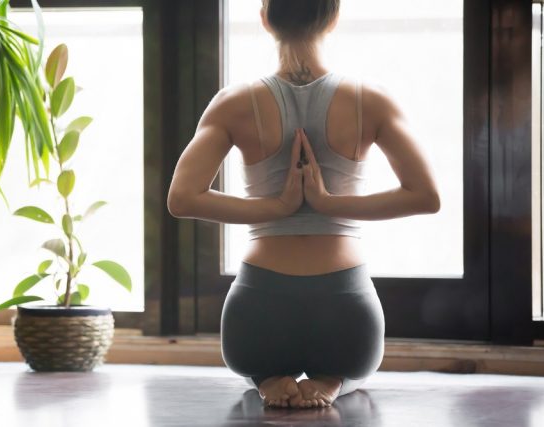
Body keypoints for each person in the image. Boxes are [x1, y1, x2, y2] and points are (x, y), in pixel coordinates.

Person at [167, 0, 440, 410]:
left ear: (265, 18)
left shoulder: (234, 102)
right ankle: (332, 381)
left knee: (254, 364)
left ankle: (267, 379)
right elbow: (426, 196)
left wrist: (276, 207)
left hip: (258, 311)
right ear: (333, 18)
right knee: (351, 368)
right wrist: (329, 203)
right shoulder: (370, 99)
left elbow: (181, 198)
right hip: (345, 310)